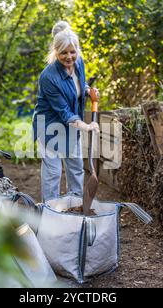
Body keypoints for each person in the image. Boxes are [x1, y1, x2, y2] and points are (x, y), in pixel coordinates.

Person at [32, 21, 100, 202]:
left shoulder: (79, 63)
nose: (69, 57)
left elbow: (80, 84)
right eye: (63, 52)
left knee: (75, 166)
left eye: (72, 52)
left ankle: (75, 204)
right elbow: (63, 112)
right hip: (50, 125)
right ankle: (51, 211)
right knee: (53, 172)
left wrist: (88, 91)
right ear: (55, 52)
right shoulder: (48, 77)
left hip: (72, 124)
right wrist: (85, 126)